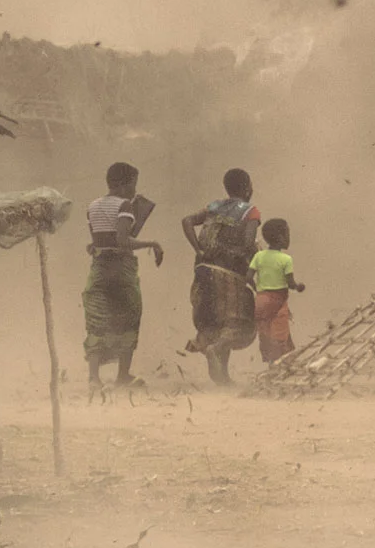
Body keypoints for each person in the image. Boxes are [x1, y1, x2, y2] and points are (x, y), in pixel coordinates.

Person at [83, 162, 162, 395]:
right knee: (128, 315)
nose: (134, 190)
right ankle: (122, 376)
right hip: (121, 269)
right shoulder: (125, 205)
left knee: (97, 318)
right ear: (123, 184)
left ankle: (94, 378)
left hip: (98, 269)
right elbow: (122, 241)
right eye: (133, 184)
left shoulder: (93, 206)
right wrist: (153, 244)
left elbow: (96, 242)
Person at [181, 168, 259, 385]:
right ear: (246, 188)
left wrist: (198, 249)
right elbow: (248, 243)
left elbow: (187, 221)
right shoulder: (250, 211)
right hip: (229, 273)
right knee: (239, 322)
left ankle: (221, 376)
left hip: (203, 271)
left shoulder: (214, 206)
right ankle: (217, 351)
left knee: (213, 323)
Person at [250, 218, 305, 365]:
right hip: (277, 302)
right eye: (286, 234)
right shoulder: (285, 259)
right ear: (280, 238)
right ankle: (279, 369)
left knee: (266, 335)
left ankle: (272, 367)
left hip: (261, 301)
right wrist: (299, 286)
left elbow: (248, 277)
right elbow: (290, 283)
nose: (288, 238)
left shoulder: (258, 256)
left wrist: (261, 290)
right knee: (280, 336)